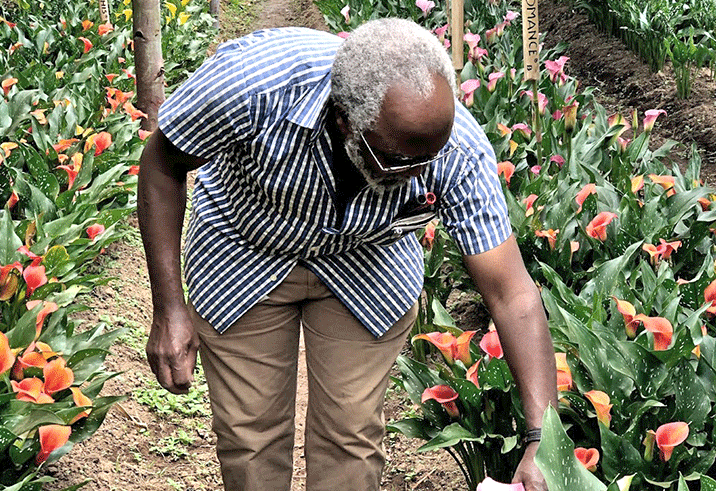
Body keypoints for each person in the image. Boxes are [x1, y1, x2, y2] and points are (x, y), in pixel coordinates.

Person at [138, 18, 557, 491]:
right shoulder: (253, 85)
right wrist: (169, 308)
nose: (419, 171)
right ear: (344, 120)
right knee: (249, 436)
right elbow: (162, 164)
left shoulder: (455, 148)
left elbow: (512, 293)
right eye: (398, 160)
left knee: (351, 438)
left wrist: (544, 439)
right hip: (245, 249)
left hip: (366, 267)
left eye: (429, 157)